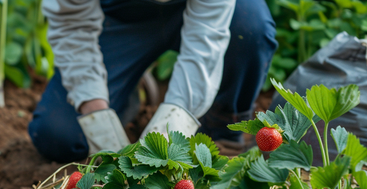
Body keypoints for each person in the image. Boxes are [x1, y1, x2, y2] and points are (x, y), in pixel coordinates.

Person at [29, 0, 277, 163]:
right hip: (118, 15)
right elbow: (72, 23)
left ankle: (221, 129)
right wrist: (96, 112)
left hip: (206, 12)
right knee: (59, 135)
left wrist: (174, 123)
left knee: (250, 26)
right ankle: (124, 91)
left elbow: (206, 40)